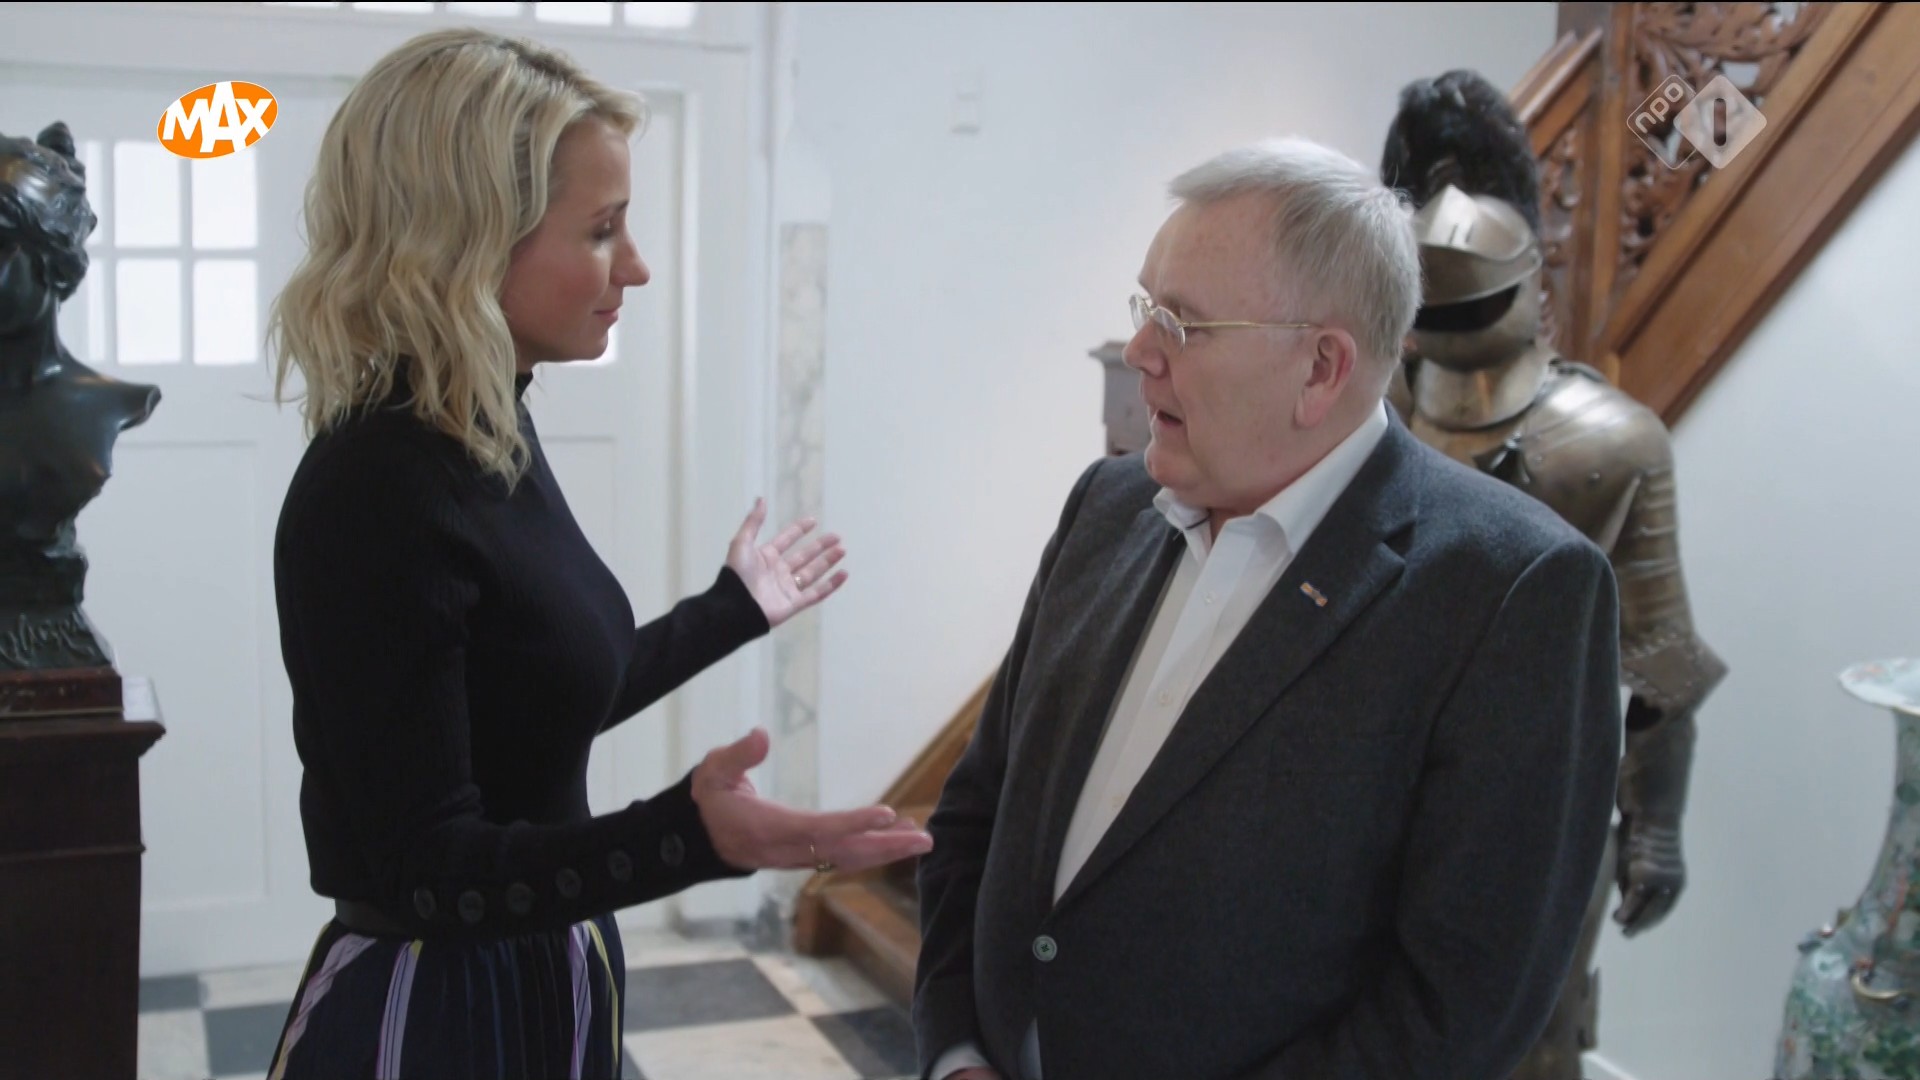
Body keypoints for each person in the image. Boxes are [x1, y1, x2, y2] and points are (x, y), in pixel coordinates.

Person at [264, 28, 931, 1080]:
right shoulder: (377, 487)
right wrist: (689, 837)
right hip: (440, 1010)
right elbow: (429, 867)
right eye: (603, 229)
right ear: (467, 242)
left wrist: (730, 609)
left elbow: (535, 699)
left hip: (541, 965)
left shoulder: (485, 427)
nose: (638, 266)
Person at [912, 137, 1622, 1080]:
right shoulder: (1105, 506)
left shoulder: (1512, 591)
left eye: (1183, 323)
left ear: (1322, 368)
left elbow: (1455, 1010)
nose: (1140, 352)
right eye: (1145, 308)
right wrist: (958, 1052)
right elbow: (976, 814)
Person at [1380, 68, 1727, 1080]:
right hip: (1373, 774)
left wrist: (1653, 828)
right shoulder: (1374, 407)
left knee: (1528, 1039)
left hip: (1540, 797)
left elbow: (1658, 663)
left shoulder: (1608, 444)